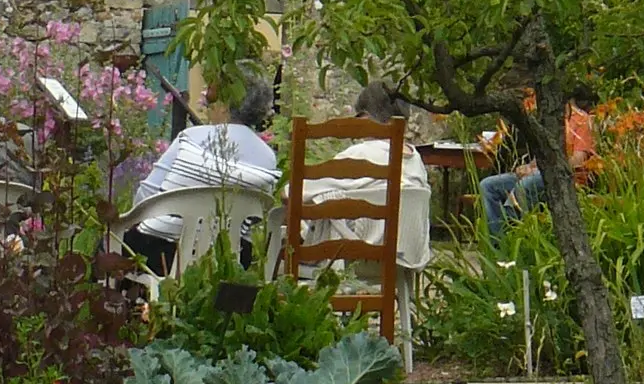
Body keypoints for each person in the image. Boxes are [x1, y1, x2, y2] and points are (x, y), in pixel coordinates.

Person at [123, 80, 279, 273]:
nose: (209, 106)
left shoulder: (190, 138)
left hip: (167, 255)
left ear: (225, 106)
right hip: (230, 261)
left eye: (213, 101)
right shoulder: (268, 157)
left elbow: (145, 197)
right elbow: (256, 215)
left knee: (112, 242)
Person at [300, 81, 432, 274]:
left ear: (365, 118)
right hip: (404, 260)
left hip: (357, 259)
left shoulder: (362, 154)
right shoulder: (416, 161)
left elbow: (294, 193)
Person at [480, 100, 597, 243]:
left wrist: (544, 167)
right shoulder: (547, 120)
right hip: (541, 173)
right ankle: (499, 244)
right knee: (488, 185)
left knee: (525, 185)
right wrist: (528, 167)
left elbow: (579, 160)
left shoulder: (581, 120)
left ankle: (519, 238)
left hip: (568, 178)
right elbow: (542, 156)